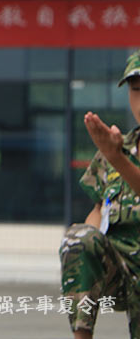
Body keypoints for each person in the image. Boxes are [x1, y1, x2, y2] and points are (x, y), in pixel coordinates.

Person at [60, 50, 140, 339]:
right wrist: (82, 249)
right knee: (78, 238)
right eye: (136, 91)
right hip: (122, 269)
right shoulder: (117, 146)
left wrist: (118, 158)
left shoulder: (115, 152)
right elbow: (100, 209)